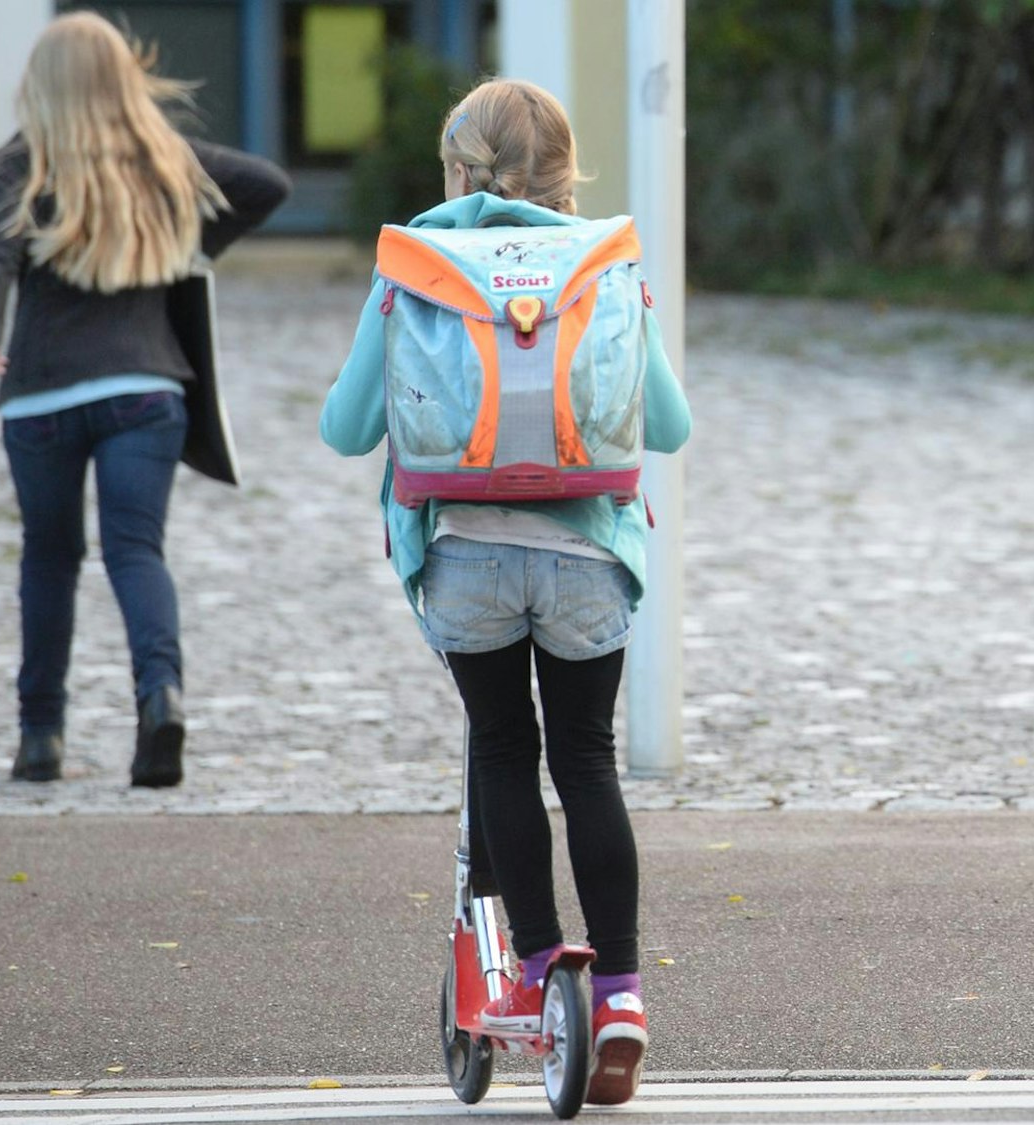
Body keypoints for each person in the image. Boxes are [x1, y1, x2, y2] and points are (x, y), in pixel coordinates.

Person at [320, 78, 690, 1106]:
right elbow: (668, 427)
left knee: (501, 748)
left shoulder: (414, 267)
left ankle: (532, 973)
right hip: (585, 556)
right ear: (569, 173)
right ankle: (615, 993)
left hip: (468, 557)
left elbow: (346, 430)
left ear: (457, 170)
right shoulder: (603, 266)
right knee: (586, 758)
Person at [0, 12, 290, 788]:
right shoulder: (161, 161)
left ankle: (40, 734)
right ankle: (160, 699)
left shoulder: (16, 166)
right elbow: (267, 185)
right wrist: (186, 250)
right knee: (135, 551)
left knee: (49, 557)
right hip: (145, 391)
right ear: (122, 78)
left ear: (39, 85)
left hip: (40, 396)